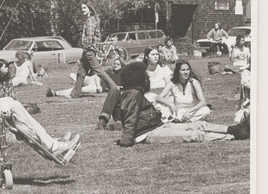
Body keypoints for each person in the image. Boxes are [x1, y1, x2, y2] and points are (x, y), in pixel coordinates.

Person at [106, 62, 249, 147]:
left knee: (199, 124)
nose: (147, 77)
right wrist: (125, 141)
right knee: (193, 135)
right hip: (148, 134)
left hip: (158, 126)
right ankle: (233, 136)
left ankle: (234, 129)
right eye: (145, 75)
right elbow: (131, 119)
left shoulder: (135, 92)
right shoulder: (132, 94)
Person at [70, 1, 118, 98]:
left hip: (89, 50)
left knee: (98, 70)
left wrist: (86, 47)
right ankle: (75, 94)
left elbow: (90, 36)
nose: (82, 10)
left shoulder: (90, 21)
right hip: (87, 51)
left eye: (84, 8)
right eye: (82, 8)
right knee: (81, 73)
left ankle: (114, 88)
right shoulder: (92, 20)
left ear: (89, 9)